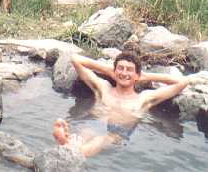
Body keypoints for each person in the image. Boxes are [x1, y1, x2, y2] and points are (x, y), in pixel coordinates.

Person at [53, 51, 204, 158]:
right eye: (121, 68)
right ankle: (70, 144)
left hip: (117, 134)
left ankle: (73, 151)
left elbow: (183, 82)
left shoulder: (144, 98)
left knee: (101, 139)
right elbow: (75, 59)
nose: (124, 73)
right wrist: (108, 70)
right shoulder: (103, 87)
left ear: (137, 75)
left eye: (130, 70)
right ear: (115, 70)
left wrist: (146, 76)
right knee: (84, 133)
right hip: (95, 123)